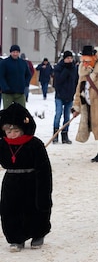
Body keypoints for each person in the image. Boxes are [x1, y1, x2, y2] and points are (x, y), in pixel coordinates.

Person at [0, 103, 52, 252]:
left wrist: (44, 189)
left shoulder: (35, 144)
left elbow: (44, 169)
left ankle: (37, 234)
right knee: (10, 210)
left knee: (34, 207)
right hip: (11, 181)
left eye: (16, 130)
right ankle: (15, 239)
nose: (12, 134)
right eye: (9, 131)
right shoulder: (3, 145)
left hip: (32, 181)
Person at [52, 51, 79, 144]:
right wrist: (66, 70)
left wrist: (74, 92)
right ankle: (55, 135)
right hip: (59, 96)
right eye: (68, 58)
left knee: (67, 116)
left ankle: (65, 135)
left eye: (71, 58)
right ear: (64, 59)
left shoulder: (74, 68)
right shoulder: (59, 67)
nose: (69, 60)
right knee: (58, 115)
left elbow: (75, 81)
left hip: (69, 96)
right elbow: (58, 81)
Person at [0, 45, 31, 109]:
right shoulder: (4, 63)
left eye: (17, 52)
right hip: (8, 93)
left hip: (20, 93)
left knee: (21, 112)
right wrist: (5, 87)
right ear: (10, 52)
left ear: (19, 53)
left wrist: (25, 84)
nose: (15, 54)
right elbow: (1, 76)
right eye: (13, 52)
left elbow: (28, 75)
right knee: (8, 113)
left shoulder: (23, 63)